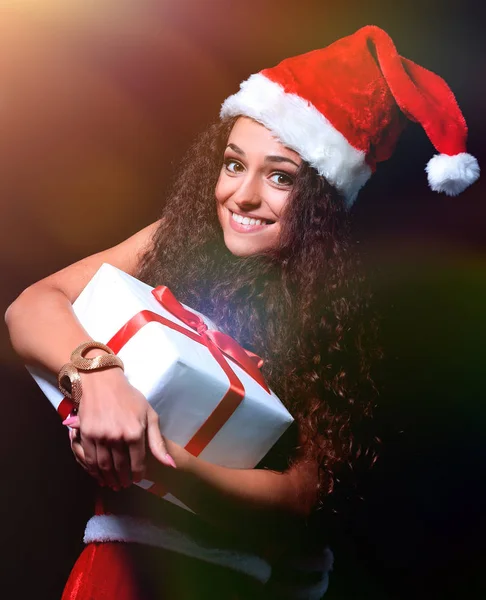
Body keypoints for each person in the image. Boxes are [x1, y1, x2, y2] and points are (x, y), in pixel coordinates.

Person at [5, 25, 479, 600]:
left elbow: (301, 496)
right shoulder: (176, 238)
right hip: (113, 574)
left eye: (280, 177)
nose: (242, 195)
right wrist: (98, 376)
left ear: (325, 200)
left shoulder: (346, 316)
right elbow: (32, 305)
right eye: (234, 164)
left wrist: (151, 459)